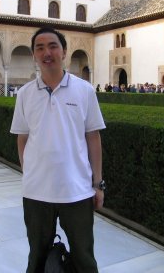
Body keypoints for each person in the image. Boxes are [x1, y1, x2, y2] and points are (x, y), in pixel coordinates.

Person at [10, 27, 106, 273]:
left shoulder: (84, 90)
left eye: (52, 46)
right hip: (36, 193)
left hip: (77, 191)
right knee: (37, 257)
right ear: (34, 54)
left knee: (84, 257)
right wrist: (29, 172)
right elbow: (23, 138)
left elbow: (93, 137)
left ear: (64, 51)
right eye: (40, 48)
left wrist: (98, 184)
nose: (47, 52)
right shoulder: (24, 94)